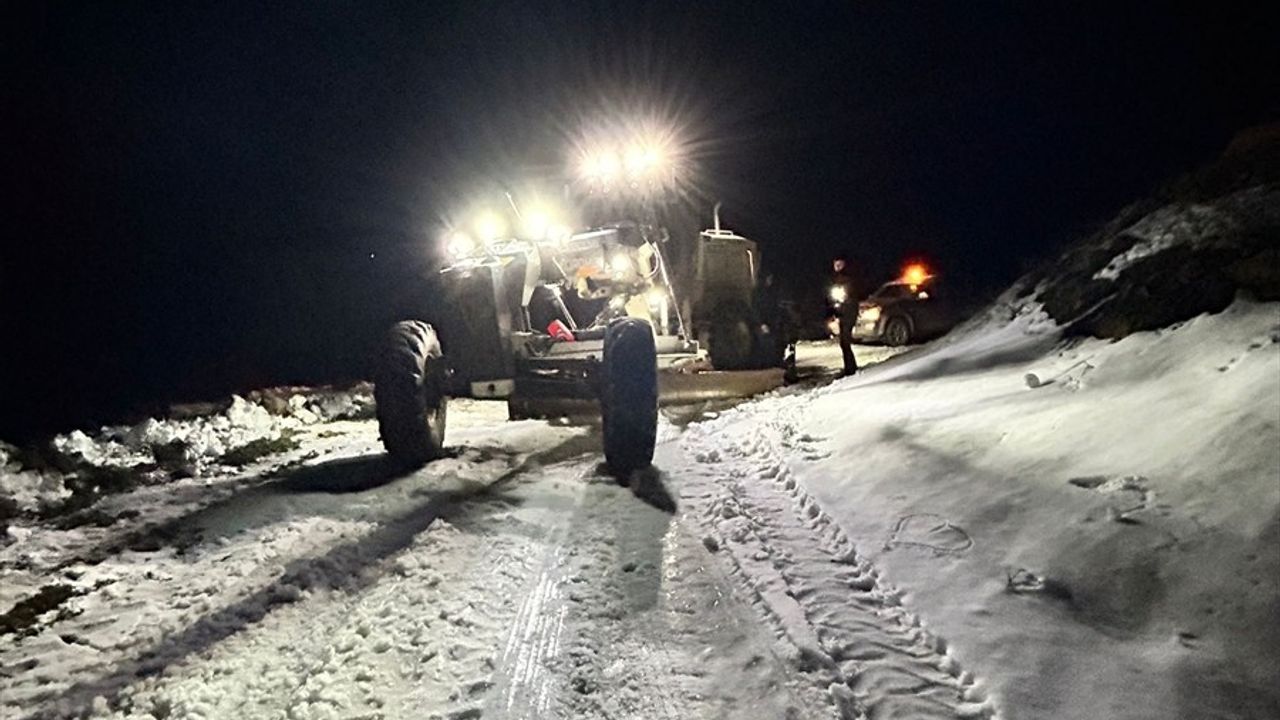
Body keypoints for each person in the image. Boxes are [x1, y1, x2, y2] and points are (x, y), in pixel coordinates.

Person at [831, 257, 861, 376]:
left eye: (839, 264)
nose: (837, 266)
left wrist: (841, 300)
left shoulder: (846, 278)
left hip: (848, 313)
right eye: (835, 264)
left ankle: (851, 368)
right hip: (844, 312)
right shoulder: (838, 278)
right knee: (844, 342)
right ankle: (849, 366)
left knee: (845, 341)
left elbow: (848, 295)